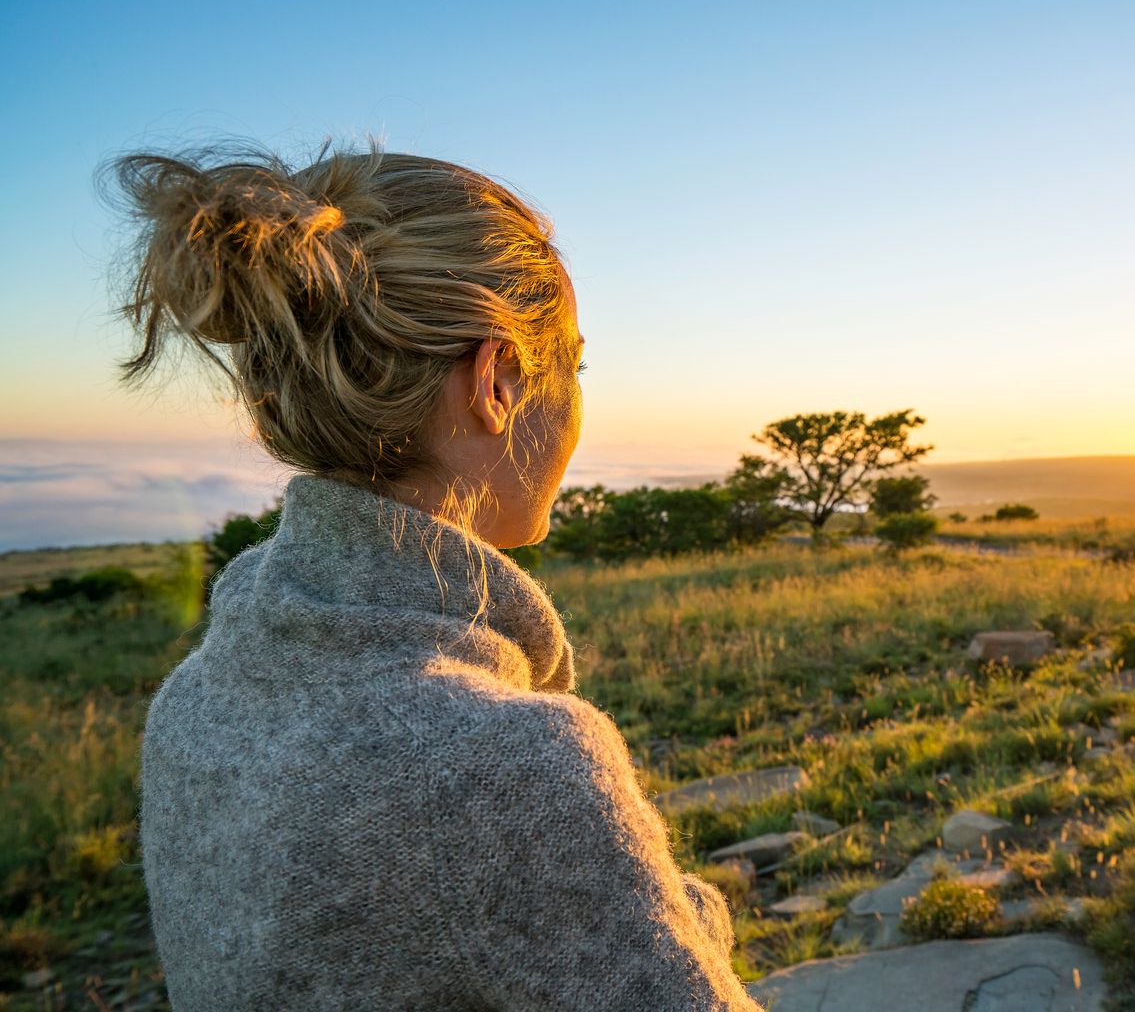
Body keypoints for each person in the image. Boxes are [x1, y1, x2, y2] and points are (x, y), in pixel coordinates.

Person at [106, 139, 765, 1010]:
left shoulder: (195, 700)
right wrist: (683, 921)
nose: (576, 401)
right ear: (495, 382)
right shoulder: (503, 765)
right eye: (573, 366)